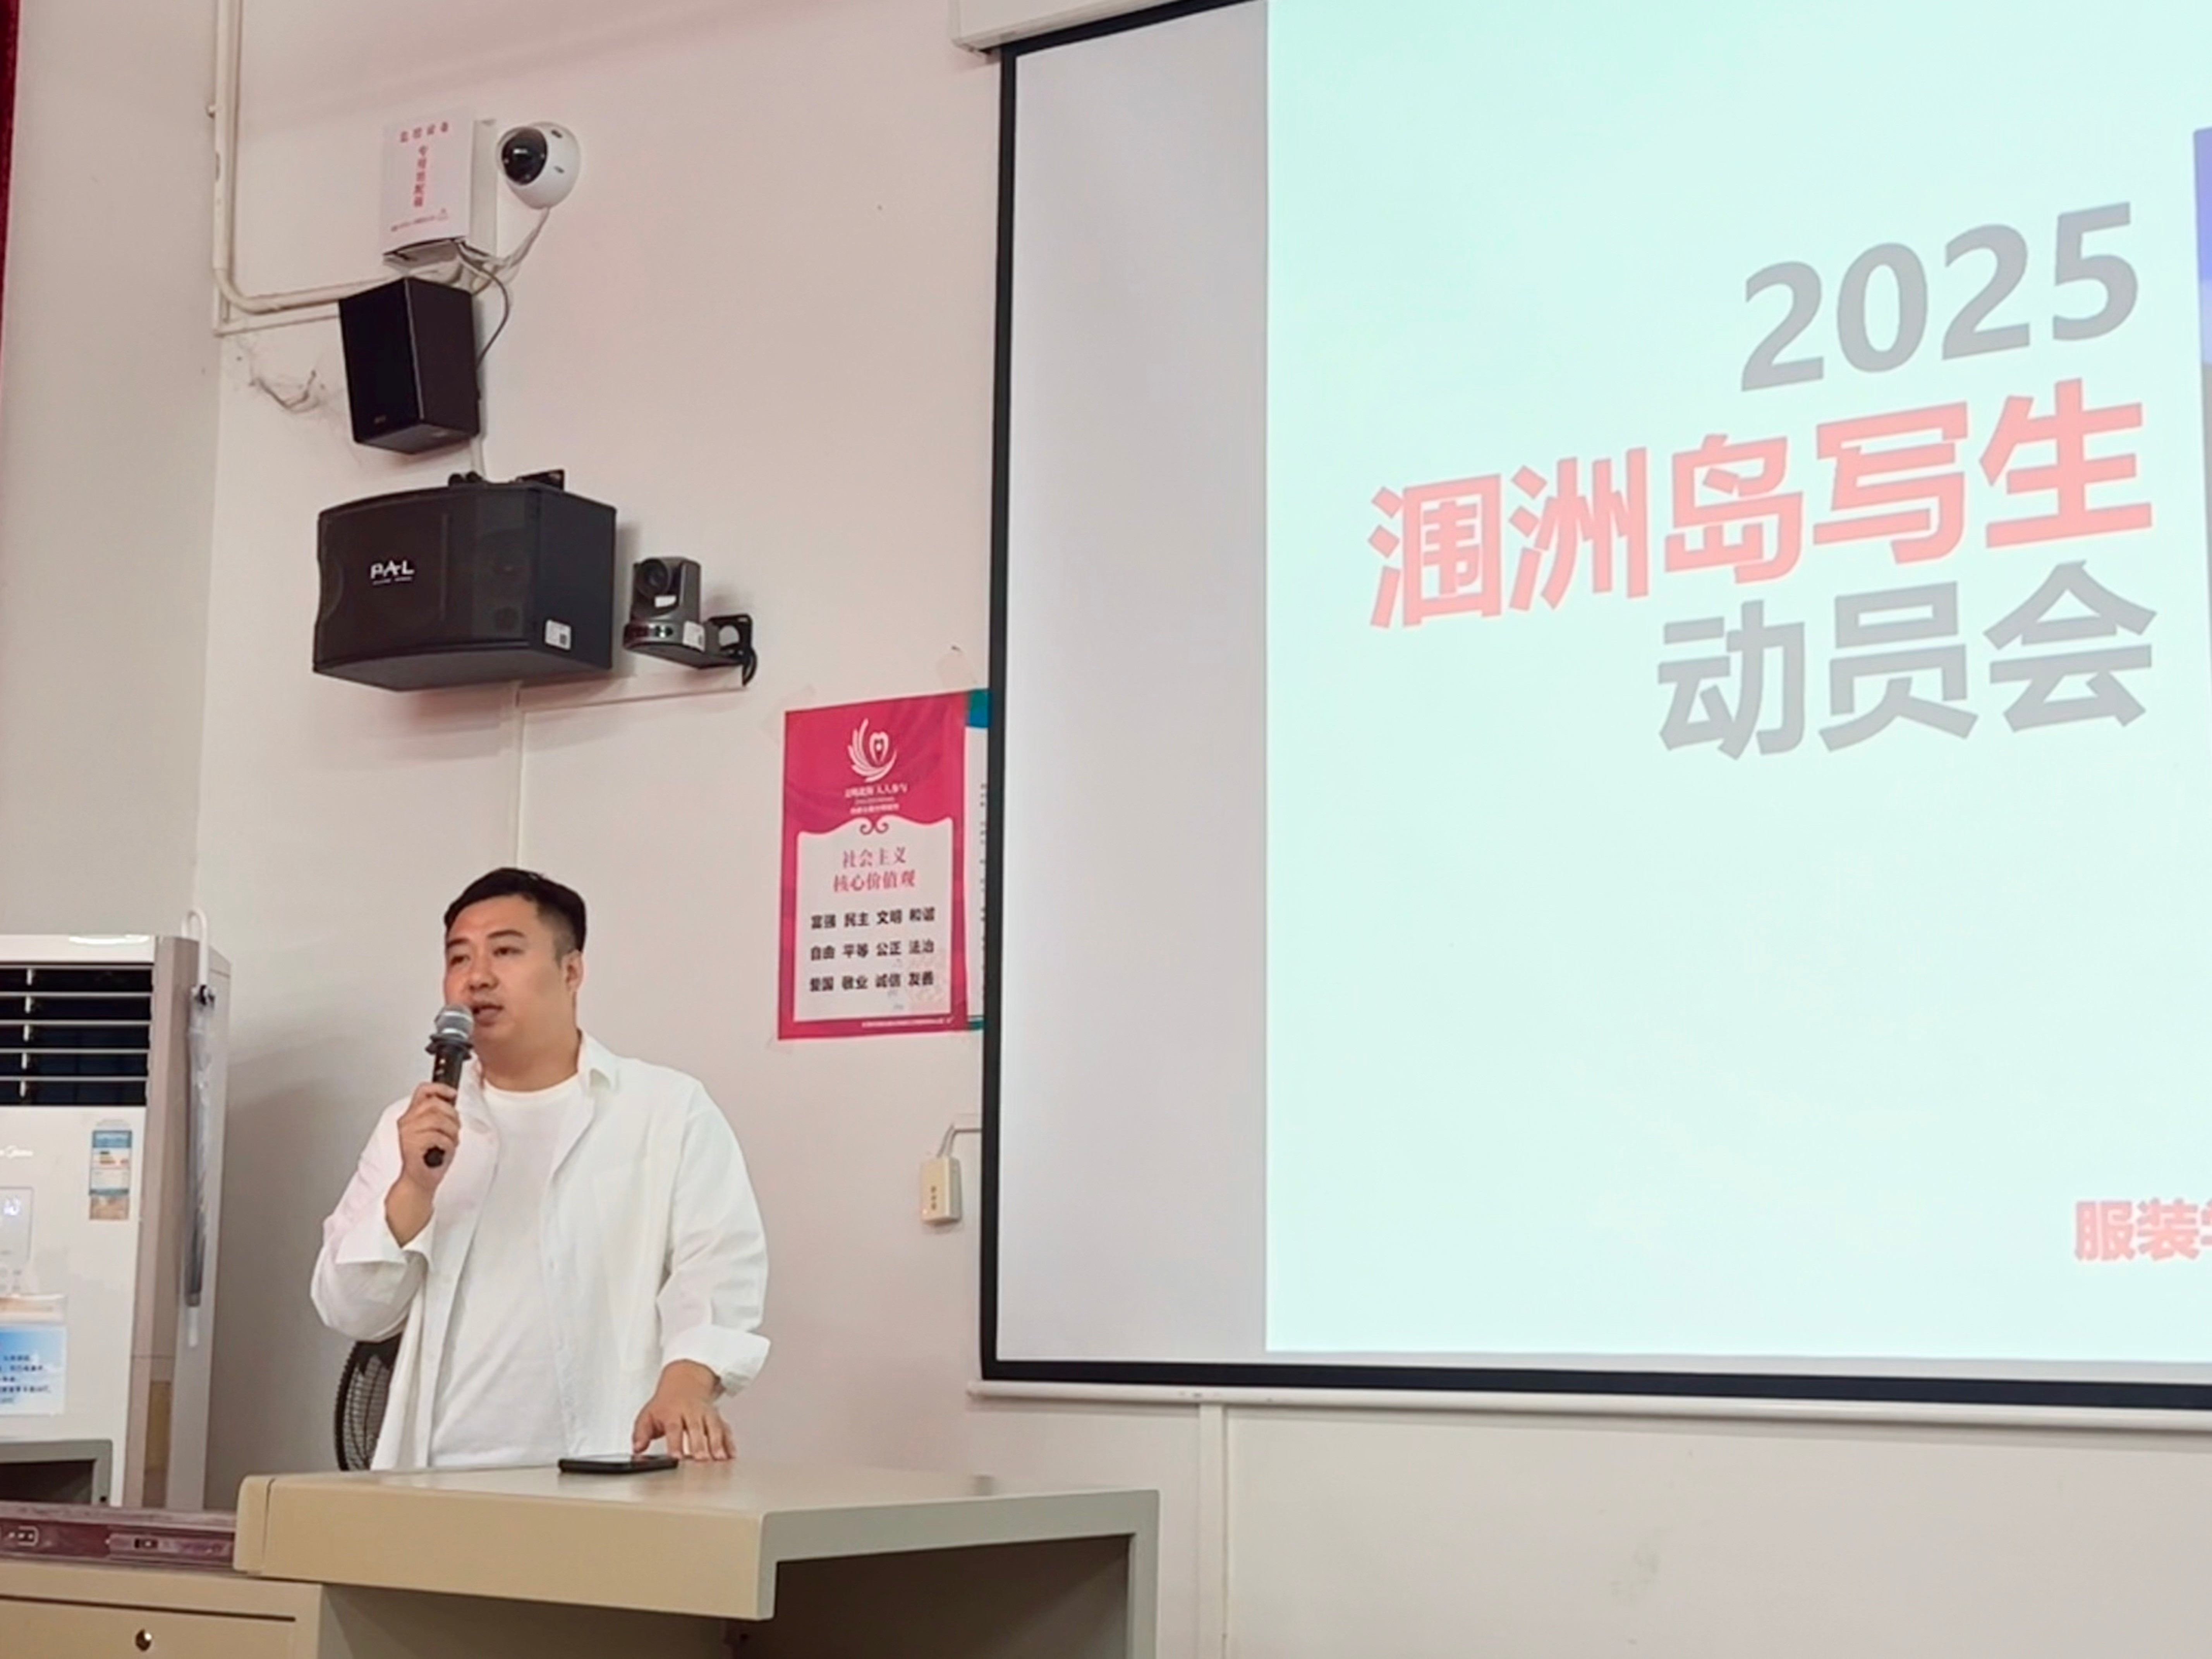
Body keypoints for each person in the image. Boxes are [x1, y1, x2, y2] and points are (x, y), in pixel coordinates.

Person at [311, 868, 768, 1469]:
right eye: (459, 958)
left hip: (605, 1468)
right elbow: (351, 1311)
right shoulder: (414, 1124)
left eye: (505, 951)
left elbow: (719, 1266)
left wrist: (687, 1382)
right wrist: (414, 1189)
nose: (477, 976)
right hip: (436, 1477)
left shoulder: (665, 1110)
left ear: (571, 972)